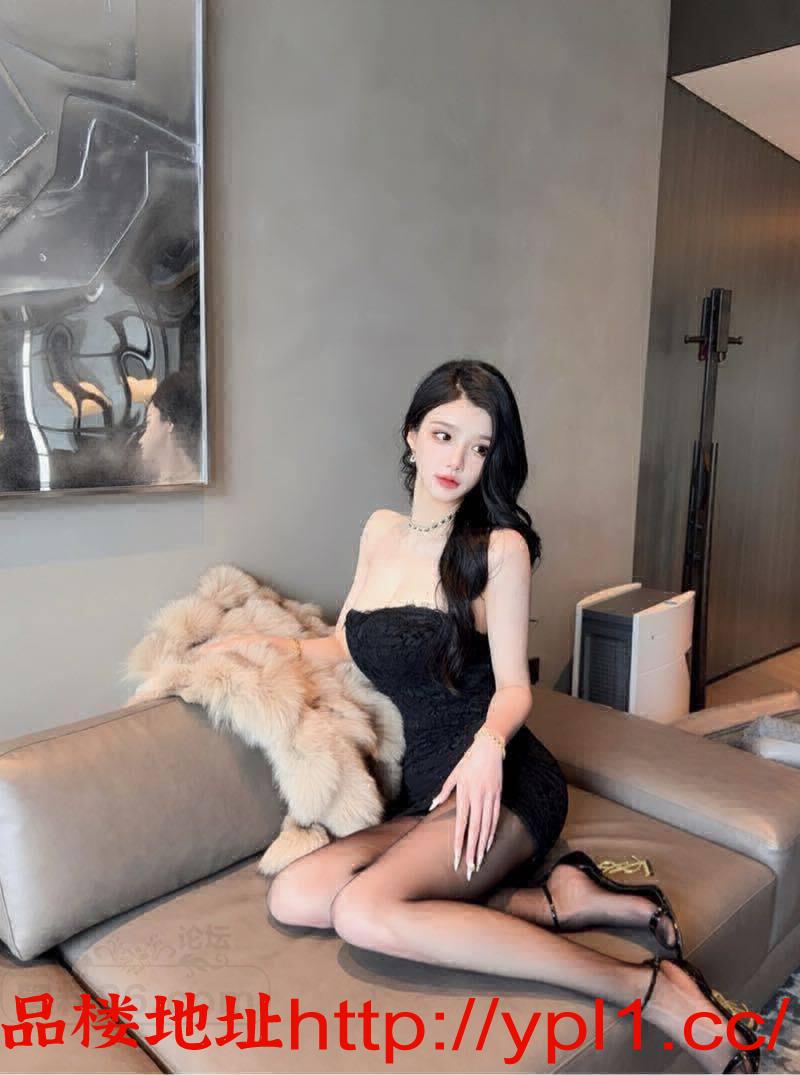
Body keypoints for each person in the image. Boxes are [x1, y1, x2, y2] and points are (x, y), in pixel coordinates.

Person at [202, 358, 759, 1073]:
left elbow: (514, 686)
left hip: (502, 781)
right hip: (426, 791)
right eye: (443, 436)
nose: (456, 462)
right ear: (411, 435)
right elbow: (342, 642)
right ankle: (555, 900)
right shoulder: (379, 531)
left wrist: (490, 747)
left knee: (361, 911)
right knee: (297, 894)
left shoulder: (499, 549)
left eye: (479, 447)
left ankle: (648, 987)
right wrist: (248, 644)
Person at [138, 368, 202, 484]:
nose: (141, 438)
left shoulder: (191, 483)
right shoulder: (193, 480)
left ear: (169, 423)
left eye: (148, 422)